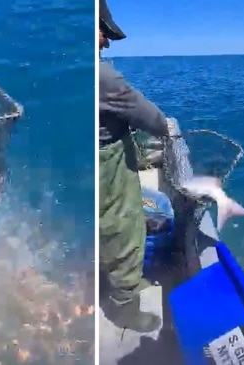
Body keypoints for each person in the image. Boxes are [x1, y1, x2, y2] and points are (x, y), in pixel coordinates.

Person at [99, 0, 168, 333]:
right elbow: (149, 117)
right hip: (106, 164)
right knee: (123, 226)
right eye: (103, 31)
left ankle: (111, 279)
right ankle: (124, 307)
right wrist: (167, 131)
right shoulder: (102, 75)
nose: (107, 42)